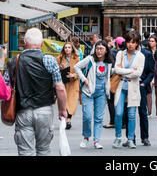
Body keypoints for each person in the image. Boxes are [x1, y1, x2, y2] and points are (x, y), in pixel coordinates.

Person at [5, 28, 67, 156]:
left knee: (25, 152)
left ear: (24, 42)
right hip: (45, 110)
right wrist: (63, 110)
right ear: (42, 43)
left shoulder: (13, 61)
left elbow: (6, 88)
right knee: (44, 150)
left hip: (23, 112)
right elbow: (60, 87)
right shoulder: (49, 60)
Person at [75, 40, 113, 149]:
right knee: (87, 116)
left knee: (98, 118)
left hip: (101, 93)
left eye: (101, 49)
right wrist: (83, 79)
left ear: (106, 51)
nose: (99, 51)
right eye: (97, 48)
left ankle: (96, 140)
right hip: (88, 92)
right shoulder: (90, 59)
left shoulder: (108, 62)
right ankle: (86, 137)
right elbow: (77, 67)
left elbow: (107, 77)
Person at [112, 31, 145, 149]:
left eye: (133, 42)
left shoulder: (141, 56)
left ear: (137, 44)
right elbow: (116, 69)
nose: (131, 45)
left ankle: (130, 139)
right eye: (129, 42)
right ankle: (118, 137)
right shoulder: (120, 54)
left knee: (131, 115)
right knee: (119, 113)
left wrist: (124, 72)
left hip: (133, 88)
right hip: (121, 87)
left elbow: (138, 73)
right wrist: (131, 70)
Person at [56, 41, 80, 130]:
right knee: (63, 101)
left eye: (69, 47)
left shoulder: (76, 58)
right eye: (65, 47)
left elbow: (80, 72)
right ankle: (65, 118)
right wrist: (59, 68)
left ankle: (68, 120)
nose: (67, 49)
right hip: (63, 82)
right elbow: (55, 69)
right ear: (63, 49)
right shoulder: (59, 58)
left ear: (72, 49)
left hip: (73, 83)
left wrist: (73, 75)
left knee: (71, 102)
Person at [147, 35, 157, 117]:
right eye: (150, 41)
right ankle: (149, 112)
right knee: (149, 92)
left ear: (156, 42)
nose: (151, 42)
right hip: (150, 73)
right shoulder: (147, 51)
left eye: (152, 41)